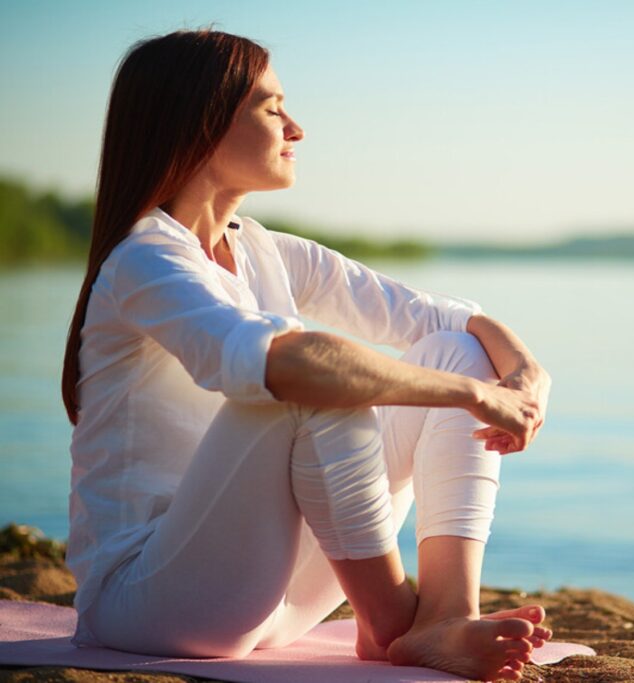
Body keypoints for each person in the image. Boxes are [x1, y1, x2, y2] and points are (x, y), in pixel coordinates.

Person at [60, 29, 553, 682]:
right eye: (271, 107)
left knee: (456, 352)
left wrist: (523, 372)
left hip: (274, 597)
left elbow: (444, 318)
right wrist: (471, 396)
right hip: (147, 601)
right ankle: (391, 620)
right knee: (310, 381)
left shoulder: (263, 249)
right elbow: (287, 363)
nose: (296, 127)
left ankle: (442, 614)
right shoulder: (145, 259)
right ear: (200, 123)